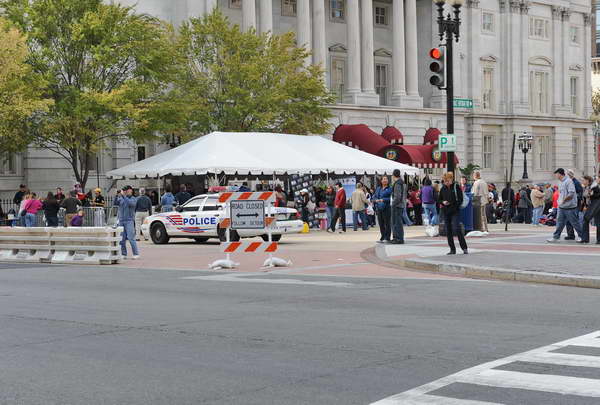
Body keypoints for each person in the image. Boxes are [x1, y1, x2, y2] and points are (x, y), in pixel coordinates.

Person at [547, 168, 583, 243]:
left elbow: (571, 193)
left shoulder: (568, 181)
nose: (556, 176)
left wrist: (563, 200)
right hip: (561, 207)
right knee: (559, 222)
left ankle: (582, 236)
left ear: (560, 174)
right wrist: (559, 202)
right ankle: (556, 237)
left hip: (570, 207)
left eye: (556, 174)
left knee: (574, 222)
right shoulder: (560, 182)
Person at [438, 172, 468, 255]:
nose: (446, 182)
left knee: (457, 228)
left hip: (455, 211)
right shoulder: (443, 188)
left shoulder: (456, 187)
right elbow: (439, 199)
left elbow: (460, 200)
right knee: (448, 230)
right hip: (446, 211)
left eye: (448, 180)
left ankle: (464, 248)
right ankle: (452, 249)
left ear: (451, 179)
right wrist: (443, 202)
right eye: (445, 181)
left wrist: (453, 205)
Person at [115, 185, 139, 259]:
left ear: (131, 190)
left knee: (131, 237)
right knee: (122, 239)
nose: (125, 192)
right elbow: (115, 203)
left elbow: (130, 204)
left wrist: (123, 196)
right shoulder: (121, 198)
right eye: (124, 190)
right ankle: (124, 253)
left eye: (127, 190)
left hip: (129, 220)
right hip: (121, 220)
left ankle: (136, 253)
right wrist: (117, 195)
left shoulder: (134, 199)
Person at [579, 175, 600, 244]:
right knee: (598, 222)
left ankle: (585, 239)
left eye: (583, 180)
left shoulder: (594, 186)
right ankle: (598, 240)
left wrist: (591, 194)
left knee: (586, 218)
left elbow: (597, 195)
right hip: (594, 204)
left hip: (596, 203)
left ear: (587, 180)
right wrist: (582, 208)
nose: (582, 181)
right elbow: (584, 198)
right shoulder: (586, 187)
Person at [373, 176, 392, 242]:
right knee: (381, 223)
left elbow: (391, 199)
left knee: (387, 223)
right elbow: (374, 197)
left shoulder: (390, 189)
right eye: (384, 179)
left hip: (387, 208)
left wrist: (383, 199)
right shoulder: (378, 188)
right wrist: (375, 200)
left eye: (386, 179)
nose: (385, 180)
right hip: (379, 208)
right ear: (381, 181)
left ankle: (387, 237)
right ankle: (382, 236)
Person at [390, 169, 406, 244]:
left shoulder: (397, 184)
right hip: (401, 205)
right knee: (398, 222)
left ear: (393, 175)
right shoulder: (402, 183)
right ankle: (399, 238)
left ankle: (398, 238)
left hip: (397, 206)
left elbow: (397, 196)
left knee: (396, 222)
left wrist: (393, 204)